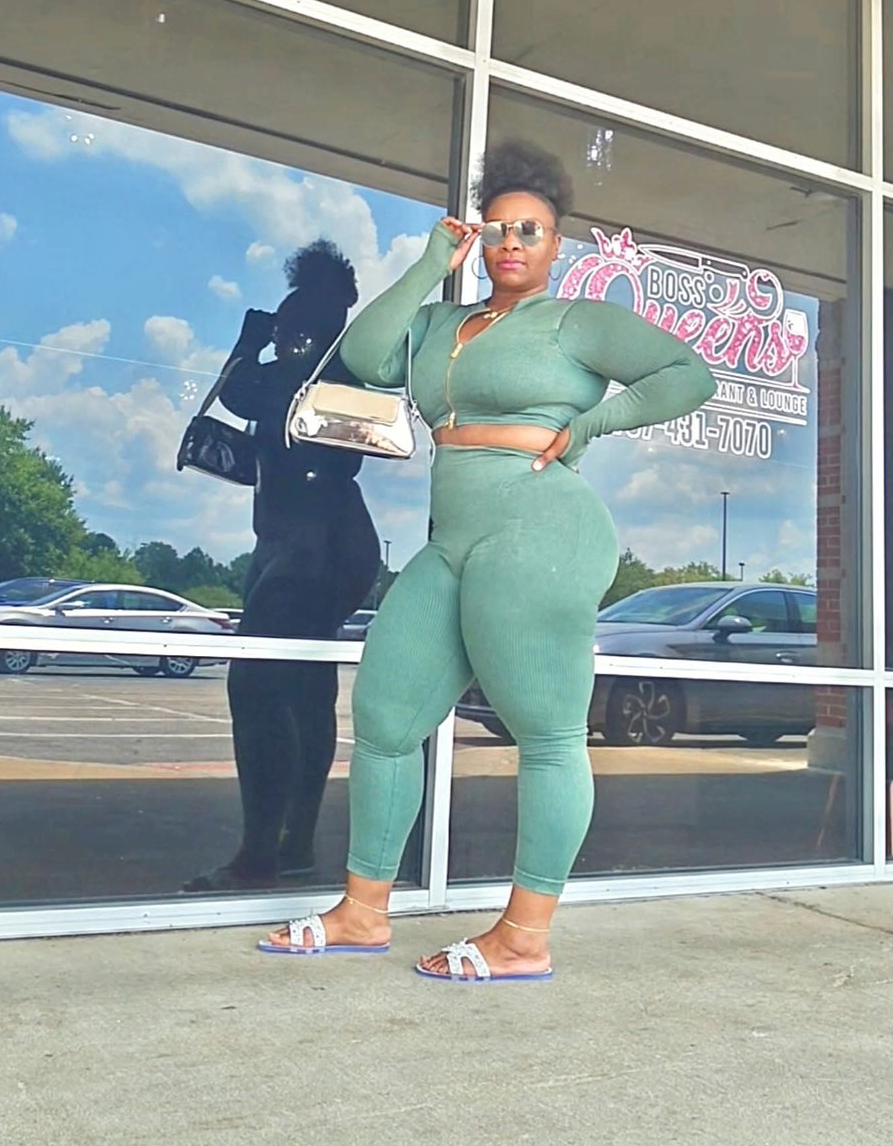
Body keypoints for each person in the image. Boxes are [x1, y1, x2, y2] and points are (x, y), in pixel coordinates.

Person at [259, 140, 716, 979]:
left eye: (530, 229)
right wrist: (430, 264)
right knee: (386, 717)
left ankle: (524, 936)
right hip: (452, 540)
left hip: (540, 529)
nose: (512, 242)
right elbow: (363, 356)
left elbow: (687, 374)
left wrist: (592, 424)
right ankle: (363, 911)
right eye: (499, 227)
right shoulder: (441, 323)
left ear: (555, 244)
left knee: (545, 732)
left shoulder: (575, 321)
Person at [184, 241, 380, 893]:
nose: (283, 332)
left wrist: (249, 342)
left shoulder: (309, 372)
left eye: (291, 324)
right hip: (319, 544)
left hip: (308, 549)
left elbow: (241, 392)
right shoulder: (340, 366)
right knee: (304, 694)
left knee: (259, 690)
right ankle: (289, 845)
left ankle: (260, 854)